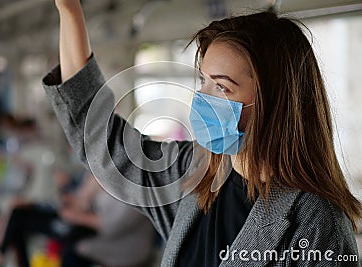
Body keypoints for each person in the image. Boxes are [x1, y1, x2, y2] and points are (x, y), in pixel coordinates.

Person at [43, 0, 362, 266]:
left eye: (222, 87)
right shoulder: (194, 172)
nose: (202, 99)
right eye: (203, 82)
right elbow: (99, 138)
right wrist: (69, 10)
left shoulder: (321, 224)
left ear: (275, 103)